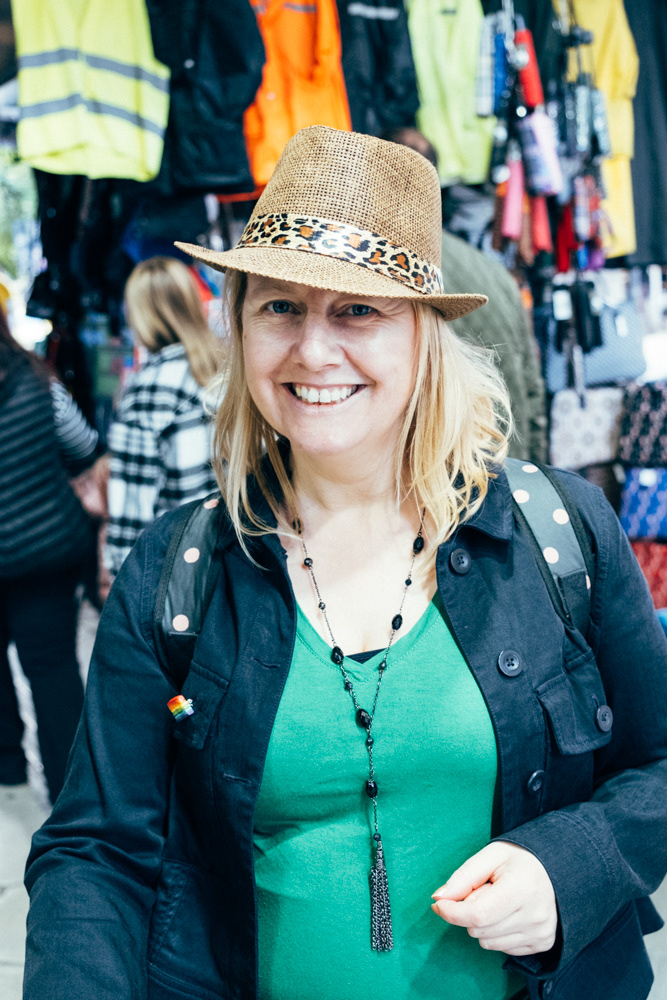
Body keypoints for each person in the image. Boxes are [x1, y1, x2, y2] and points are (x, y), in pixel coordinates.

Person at [23, 127, 667, 1000]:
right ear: (240, 326)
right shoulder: (178, 572)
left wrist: (572, 866)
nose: (313, 351)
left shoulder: (557, 533)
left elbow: (655, 763)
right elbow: (97, 849)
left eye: (357, 309)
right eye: (279, 307)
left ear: (423, 334)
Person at [383, 125, 547, 463]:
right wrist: (533, 469)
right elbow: (533, 388)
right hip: (506, 462)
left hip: (433, 473)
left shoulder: (381, 273)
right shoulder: (494, 274)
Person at [0, 303, 101, 803]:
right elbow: (83, 445)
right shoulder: (39, 380)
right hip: (47, 553)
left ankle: (8, 766)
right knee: (53, 669)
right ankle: (68, 790)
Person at [103, 256, 220, 580]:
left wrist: (120, 581)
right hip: (235, 560)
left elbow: (131, 513)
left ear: (139, 314)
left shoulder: (148, 392)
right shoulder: (227, 372)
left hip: (177, 571)